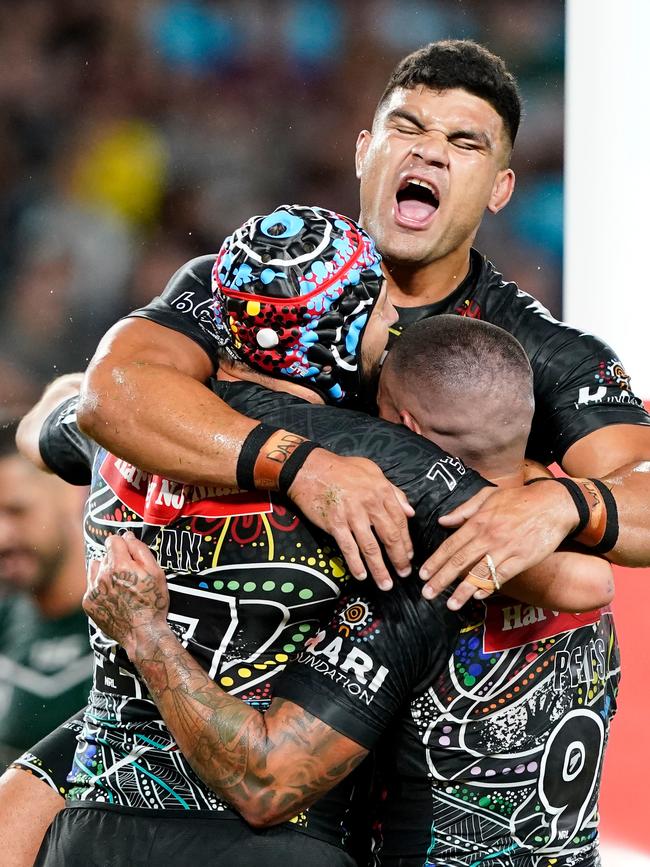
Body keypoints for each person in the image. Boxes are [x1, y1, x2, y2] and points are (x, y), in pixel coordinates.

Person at [71, 39, 649, 604]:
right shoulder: (252, 285)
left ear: (500, 189)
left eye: (465, 143)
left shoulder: (541, 350)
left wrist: (563, 503)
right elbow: (112, 395)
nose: (430, 152)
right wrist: (302, 467)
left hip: (407, 672)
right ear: (362, 151)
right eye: (408, 128)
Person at [10, 205, 498, 867]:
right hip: (271, 844)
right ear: (340, 332)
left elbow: (45, 422)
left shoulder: (129, 423)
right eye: (381, 304)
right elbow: (560, 563)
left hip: (94, 837)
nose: (395, 320)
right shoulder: (390, 469)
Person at [49, 315, 615, 866]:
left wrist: (146, 634)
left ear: (406, 433)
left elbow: (266, 783)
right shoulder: (573, 546)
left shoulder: (423, 576)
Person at [0, 405, 93, 773]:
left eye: (17, 511)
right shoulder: (4, 626)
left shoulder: (136, 624)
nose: (2, 538)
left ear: (73, 494)